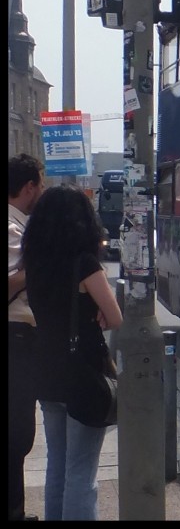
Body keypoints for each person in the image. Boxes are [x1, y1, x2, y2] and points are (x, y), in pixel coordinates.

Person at [21, 185, 123, 521]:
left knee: (58, 466)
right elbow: (116, 317)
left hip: (46, 370)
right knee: (82, 473)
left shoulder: (34, 264)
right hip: (82, 373)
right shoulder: (85, 264)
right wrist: (97, 308)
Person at [8, 154, 44, 522]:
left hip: (18, 340)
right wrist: (38, 262)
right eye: (40, 184)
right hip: (14, 339)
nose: (42, 191)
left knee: (17, 433)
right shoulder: (12, 229)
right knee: (16, 432)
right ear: (28, 187)